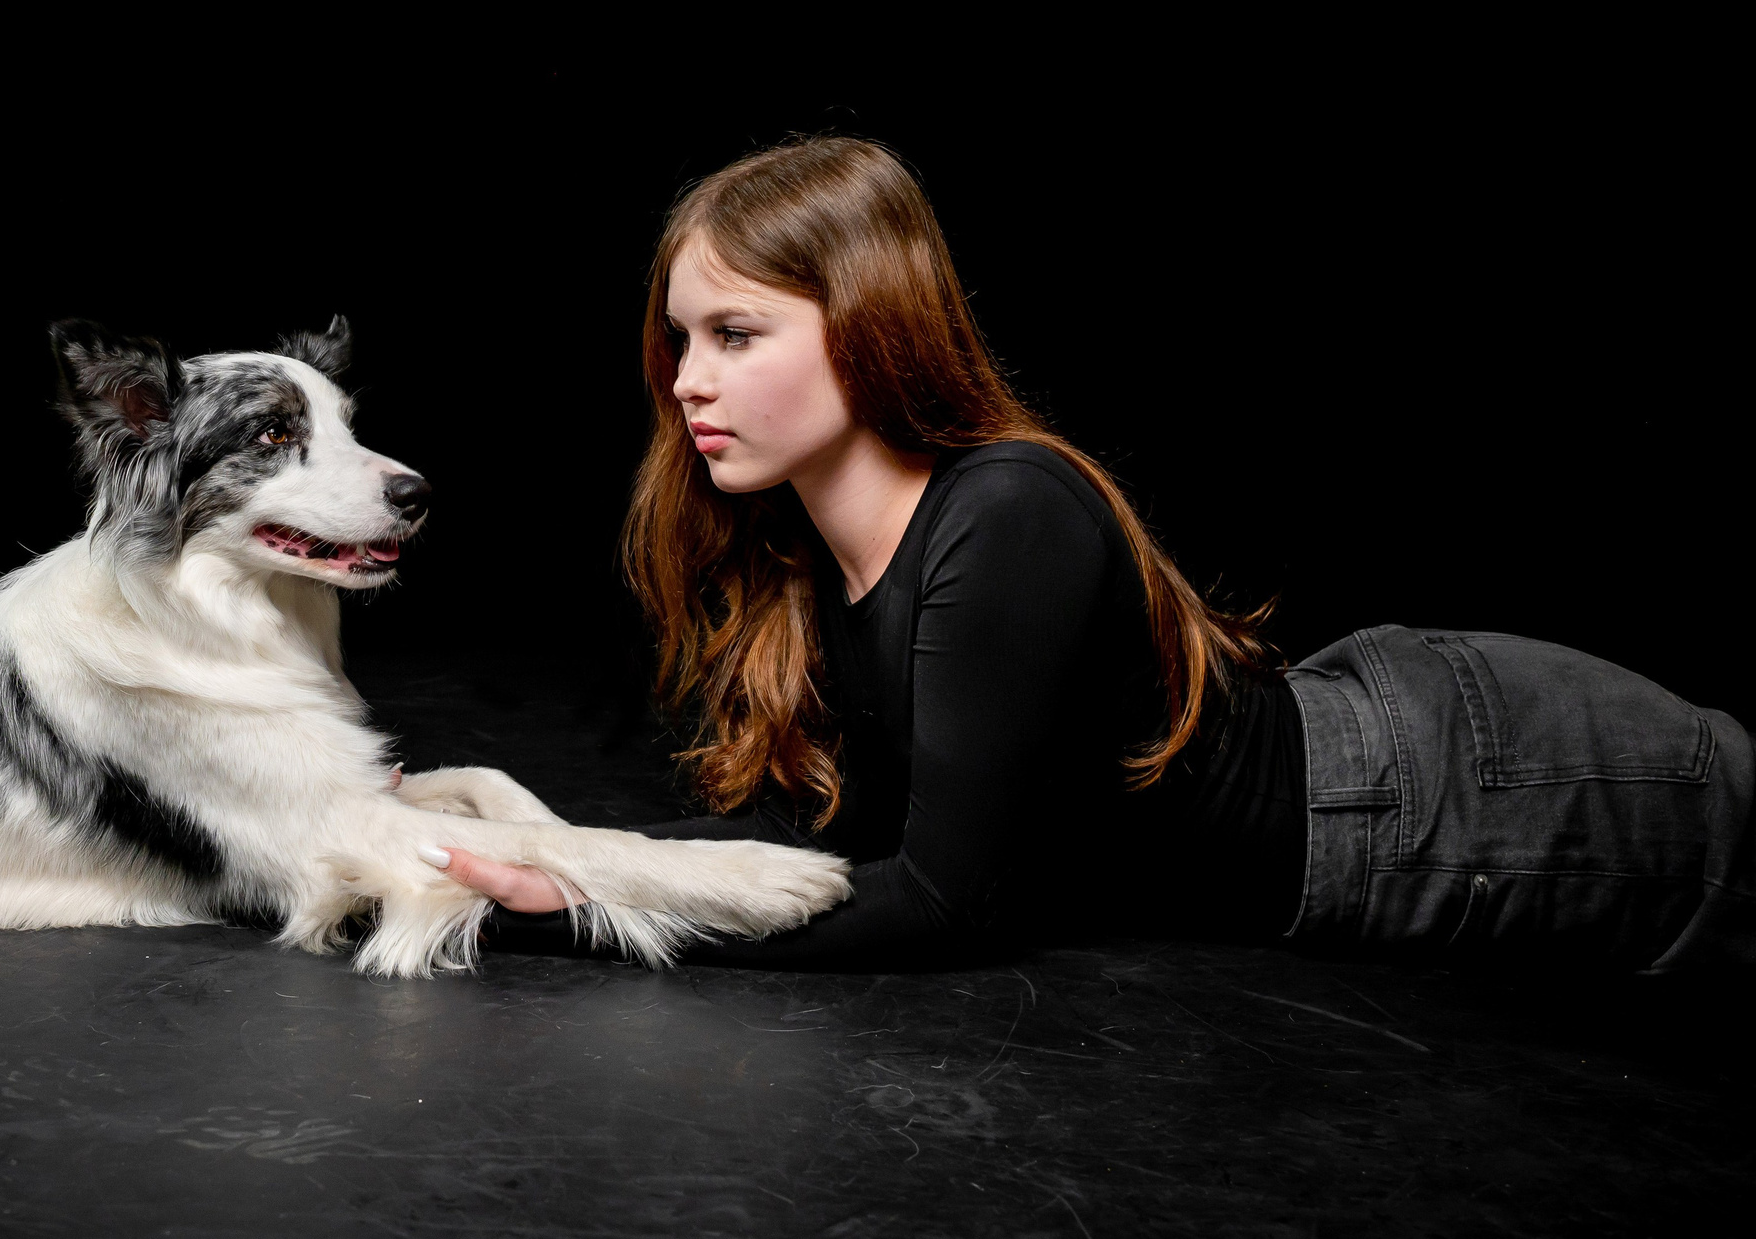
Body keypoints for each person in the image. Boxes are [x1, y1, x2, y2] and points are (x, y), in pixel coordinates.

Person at [432, 138, 1750, 970]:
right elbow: (804, 847)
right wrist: (565, 864)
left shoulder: (1009, 514)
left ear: (866, 328)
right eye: (680, 338)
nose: (686, 381)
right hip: (1393, 770)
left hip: (1453, 788)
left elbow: (947, 902)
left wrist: (591, 910)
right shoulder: (810, 568)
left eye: (737, 333)